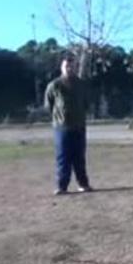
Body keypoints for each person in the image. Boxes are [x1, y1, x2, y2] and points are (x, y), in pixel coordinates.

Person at [45, 55, 92, 195]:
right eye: (67, 66)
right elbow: (49, 105)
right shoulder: (54, 85)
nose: (69, 68)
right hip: (62, 127)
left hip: (79, 126)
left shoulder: (81, 85)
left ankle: (83, 184)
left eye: (72, 66)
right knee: (63, 157)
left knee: (79, 157)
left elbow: (86, 104)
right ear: (62, 67)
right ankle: (62, 186)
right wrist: (59, 117)